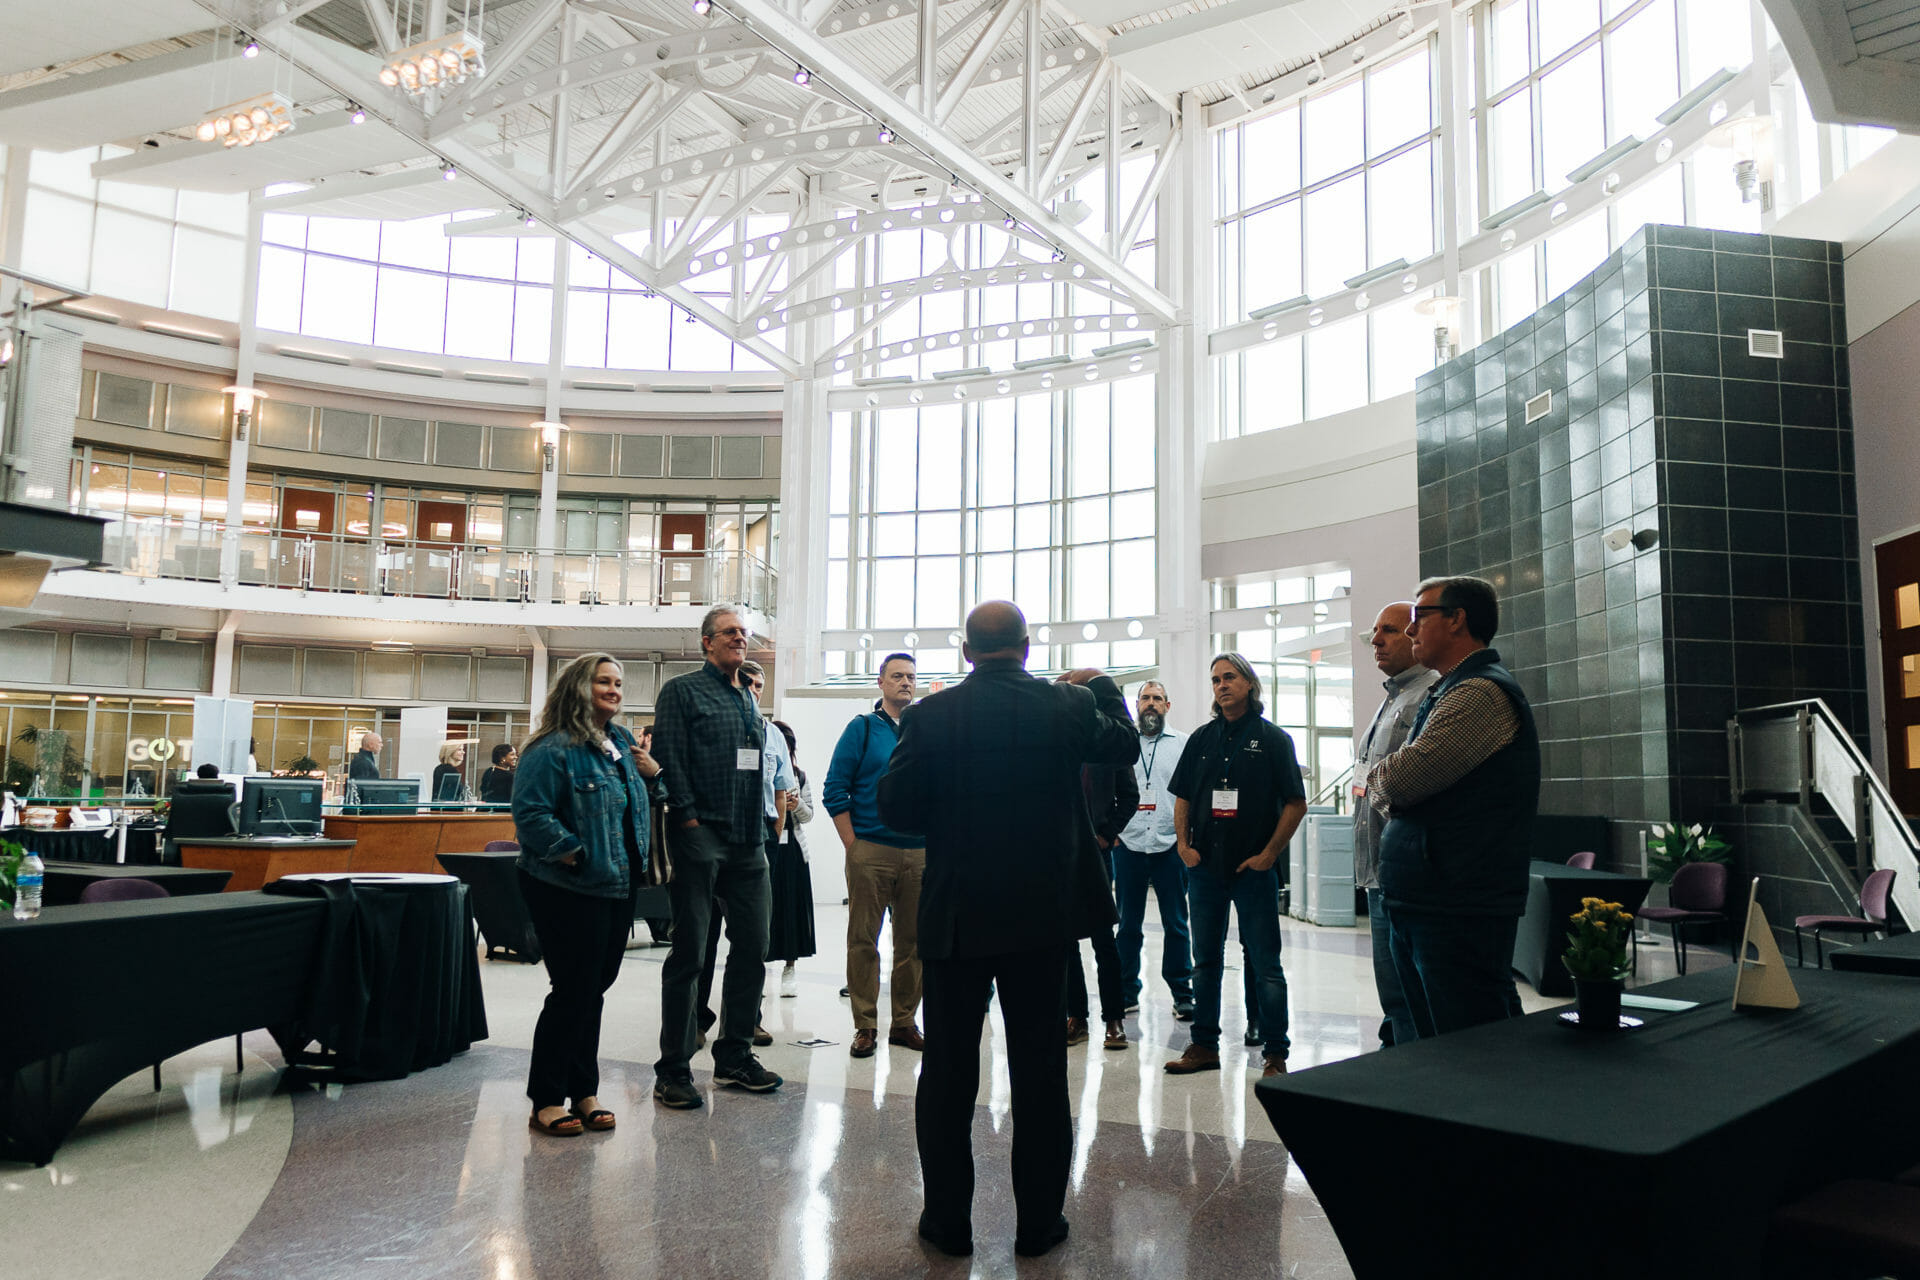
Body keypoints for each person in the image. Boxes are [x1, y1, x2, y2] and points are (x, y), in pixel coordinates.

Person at [879, 601, 1137, 1260]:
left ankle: (947, 1225)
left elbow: (897, 807)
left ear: (966, 652)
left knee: (947, 1076)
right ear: (1026, 648)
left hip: (958, 915)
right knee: (1041, 1073)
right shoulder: (1068, 706)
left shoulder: (930, 715)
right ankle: (1038, 1226)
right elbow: (1125, 741)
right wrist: (1099, 683)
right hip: (1040, 917)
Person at [1369, 575, 1540, 1043]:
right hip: (1430, 896)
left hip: (1456, 903)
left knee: (1469, 1048)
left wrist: (1379, 782)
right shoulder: (1451, 689)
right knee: (1437, 1043)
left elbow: (1399, 779)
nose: (1408, 631)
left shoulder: (1479, 693)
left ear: (1457, 619)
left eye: (1419, 617)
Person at [511, 652, 658, 1138]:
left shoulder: (618, 741)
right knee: (573, 989)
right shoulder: (551, 748)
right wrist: (573, 853)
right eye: (603, 682)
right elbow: (530, 815)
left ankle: (584, 1089)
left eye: (618, 682)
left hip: (616, 884)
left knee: (594, 988)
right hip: (565, 886)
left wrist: (653, 774)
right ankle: (548, 1097)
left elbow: (636, 806)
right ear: (579, 687)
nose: (614, 690)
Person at [650, 605, 781, 1109]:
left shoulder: (747, 696)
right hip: (701, 837)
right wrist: (687, 820)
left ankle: (734, 1057)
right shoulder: (683, 691)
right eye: (730, 633)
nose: (740, 640)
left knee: (753, 948)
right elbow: (670, 757)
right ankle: (674, 1068)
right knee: (691, 953)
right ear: (706, 642)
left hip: (749, 843)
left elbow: (753, 768)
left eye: (744, 634)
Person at [1166, 653, 1308, 1079]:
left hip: (1253, 871)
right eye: (1215, 680)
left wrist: (1269, 854)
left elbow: (1296, 804)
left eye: (1229, 677)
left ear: (1249, 683)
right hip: (1205, 869)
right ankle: (1204, 1045)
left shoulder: (1273, 740)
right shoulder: (1201, 739)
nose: (1221, 685)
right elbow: (1184, 798)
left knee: (1265, 963)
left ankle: (1275, 1054)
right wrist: (1184, 846)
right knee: (1204, 961)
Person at [823, 652, 926, 1058]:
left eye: (911, 677)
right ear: (881, 682)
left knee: (913, 943)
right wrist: (855, 846)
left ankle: (904, 1022)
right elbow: (835, 787)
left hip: (918, 852)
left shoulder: (923, 731)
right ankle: (865, 1024)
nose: (905, 682)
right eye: (897, 676)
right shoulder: (862, 729)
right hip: (871, 850)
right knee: (863, 940)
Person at [1353, 602, 1439, 1049]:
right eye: (1375, 630)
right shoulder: (1392, 698)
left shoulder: (1431, 695)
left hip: (1406, 874)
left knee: (1413, 995)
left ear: (1413, 633)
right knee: (1394, 993)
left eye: (1388, 630)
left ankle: (1416, 1079)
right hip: (1378, 872)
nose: (1376, 639)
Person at [694, 659, 790, 1049]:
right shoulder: (713, 728)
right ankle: (695, 1019)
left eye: (759, 685)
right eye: (746, 682)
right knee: (704, 937)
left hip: (759, 837)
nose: (753, 689)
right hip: (713, 838)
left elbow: (782, 788)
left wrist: (776, 832)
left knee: (752, 940)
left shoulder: (772, 734)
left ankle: (748, 1021)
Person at [1113, 681, 1194, 1022]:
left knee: (1175, 923)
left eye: (1157, 698)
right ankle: (1126, 991)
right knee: (1128, 923)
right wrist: (1112, 830)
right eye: (1145, 698)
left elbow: (1192, 794)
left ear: (1167, 705)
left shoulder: (1183, 745)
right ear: (1136, 704)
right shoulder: (1122, 743)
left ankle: (1182, 993)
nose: (1150, 704)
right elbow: (1107, 788)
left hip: (1170, 844)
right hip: (1128, 843)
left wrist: (1186, 838)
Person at [1065, 739, 1136, 1052]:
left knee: (1103, 938)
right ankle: (1076, 1017)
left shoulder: (1107, 743)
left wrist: (1108, 834)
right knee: (1065, 939)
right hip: (1060, 852)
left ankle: (1114, 1020)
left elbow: (1130, 796)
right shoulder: (1057, 743)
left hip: (1098, 852)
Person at [768, 720, 817, 998]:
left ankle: (790, 969)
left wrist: (795, 804)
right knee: (766, 911)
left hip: (794, 853)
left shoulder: (799, 776)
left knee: (793, 910)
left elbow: (809, 815)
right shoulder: (762, 773)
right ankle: (760, 969)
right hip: (769, 846)